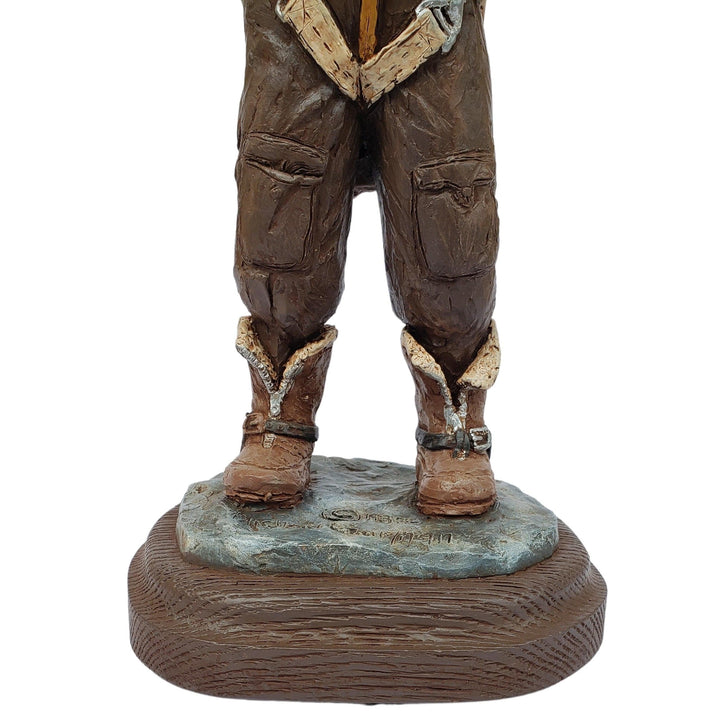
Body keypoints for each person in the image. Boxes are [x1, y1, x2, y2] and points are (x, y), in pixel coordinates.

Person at [223, 0, 501, 516]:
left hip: (431, 21)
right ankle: (279, 413)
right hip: (300, 18)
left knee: (451, 227)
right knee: (280, 222)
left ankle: (453, 421)